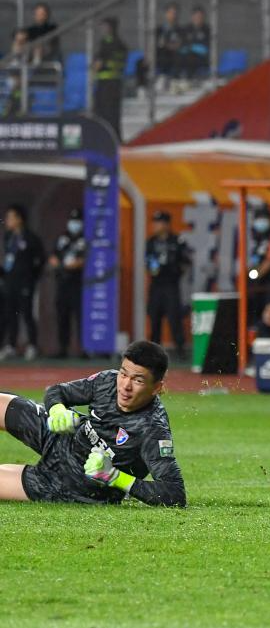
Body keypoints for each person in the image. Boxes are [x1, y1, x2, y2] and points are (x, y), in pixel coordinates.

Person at [0, 340, 185, 506]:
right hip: (64, 436)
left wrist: (115, 477)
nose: (125, 386)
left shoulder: (153, 430)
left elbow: (174, 493)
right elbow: (57, 391)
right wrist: (58, 411)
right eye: (123, 374)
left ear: (156, 388)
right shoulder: (107, 381)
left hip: (74, 484)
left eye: (138, 380)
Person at [1, 204, 44, 361]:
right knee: (10, 314)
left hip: (25, 282)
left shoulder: (31, 238)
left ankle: (32, 345)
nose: (7, 220)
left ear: (19, 219)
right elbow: (9, 259)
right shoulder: (8, 237)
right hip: (10, 281)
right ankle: (11, 345)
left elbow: (41, 260)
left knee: (27, 313)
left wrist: (32, 277)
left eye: (10, 217)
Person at [145, 211, 190, 359]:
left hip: (171, 284)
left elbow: (186, 261)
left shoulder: (177, 241)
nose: (155, 226)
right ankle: (153, 352)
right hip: (156, 285)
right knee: (154, 318)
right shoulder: (151, 242)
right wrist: (153, 269)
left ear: (166, 224)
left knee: (174, 318)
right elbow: (148, 261)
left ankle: (180, 350)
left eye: (158, 222)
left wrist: (176, 271)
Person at [49, 208, 87, 358]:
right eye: (72, 220)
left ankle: (84, 349)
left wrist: (77, 264)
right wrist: (58, 264)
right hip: (62, 281)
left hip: (78, 283)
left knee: (80, 316)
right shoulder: (63, 237)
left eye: (77, 221)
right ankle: (63, 348)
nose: (74, 224)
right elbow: (53, 256)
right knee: (62, 315)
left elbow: (85, 259)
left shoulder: (85, 238)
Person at [92, 17, 127, 140]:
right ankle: (113, 139)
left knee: (107, 114)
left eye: (105, 26)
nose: (103, 29)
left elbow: (98, 64)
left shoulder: (108, 44)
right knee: (109, 114)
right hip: (110, 82)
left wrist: (98, 65)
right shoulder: (119, 44)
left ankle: (108, 139)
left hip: (108, 83)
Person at [155, 3, 183, 92]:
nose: (172, 15)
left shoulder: (180, 30)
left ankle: (173, 80)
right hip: (160, 54)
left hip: (174, 54)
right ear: (166, 14)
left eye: (174, 13)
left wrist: (168, 45)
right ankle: (143, 88)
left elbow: (179, 44)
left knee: (177, 56)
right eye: (170, 13)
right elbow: (157, 44)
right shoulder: (159, 30)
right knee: (141, 62)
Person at [181, 6, 211, 85]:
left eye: (200, 17)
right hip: (187, 58)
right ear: (192, 17)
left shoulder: (207, 30)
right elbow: (182, 47)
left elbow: (206, 49)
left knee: (192, 57)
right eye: (196, 16)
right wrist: (189, 48)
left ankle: (193, 80)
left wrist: (192, 47)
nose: (198, 19)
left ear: (203, 18)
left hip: (202, 58)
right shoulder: (186, 29)